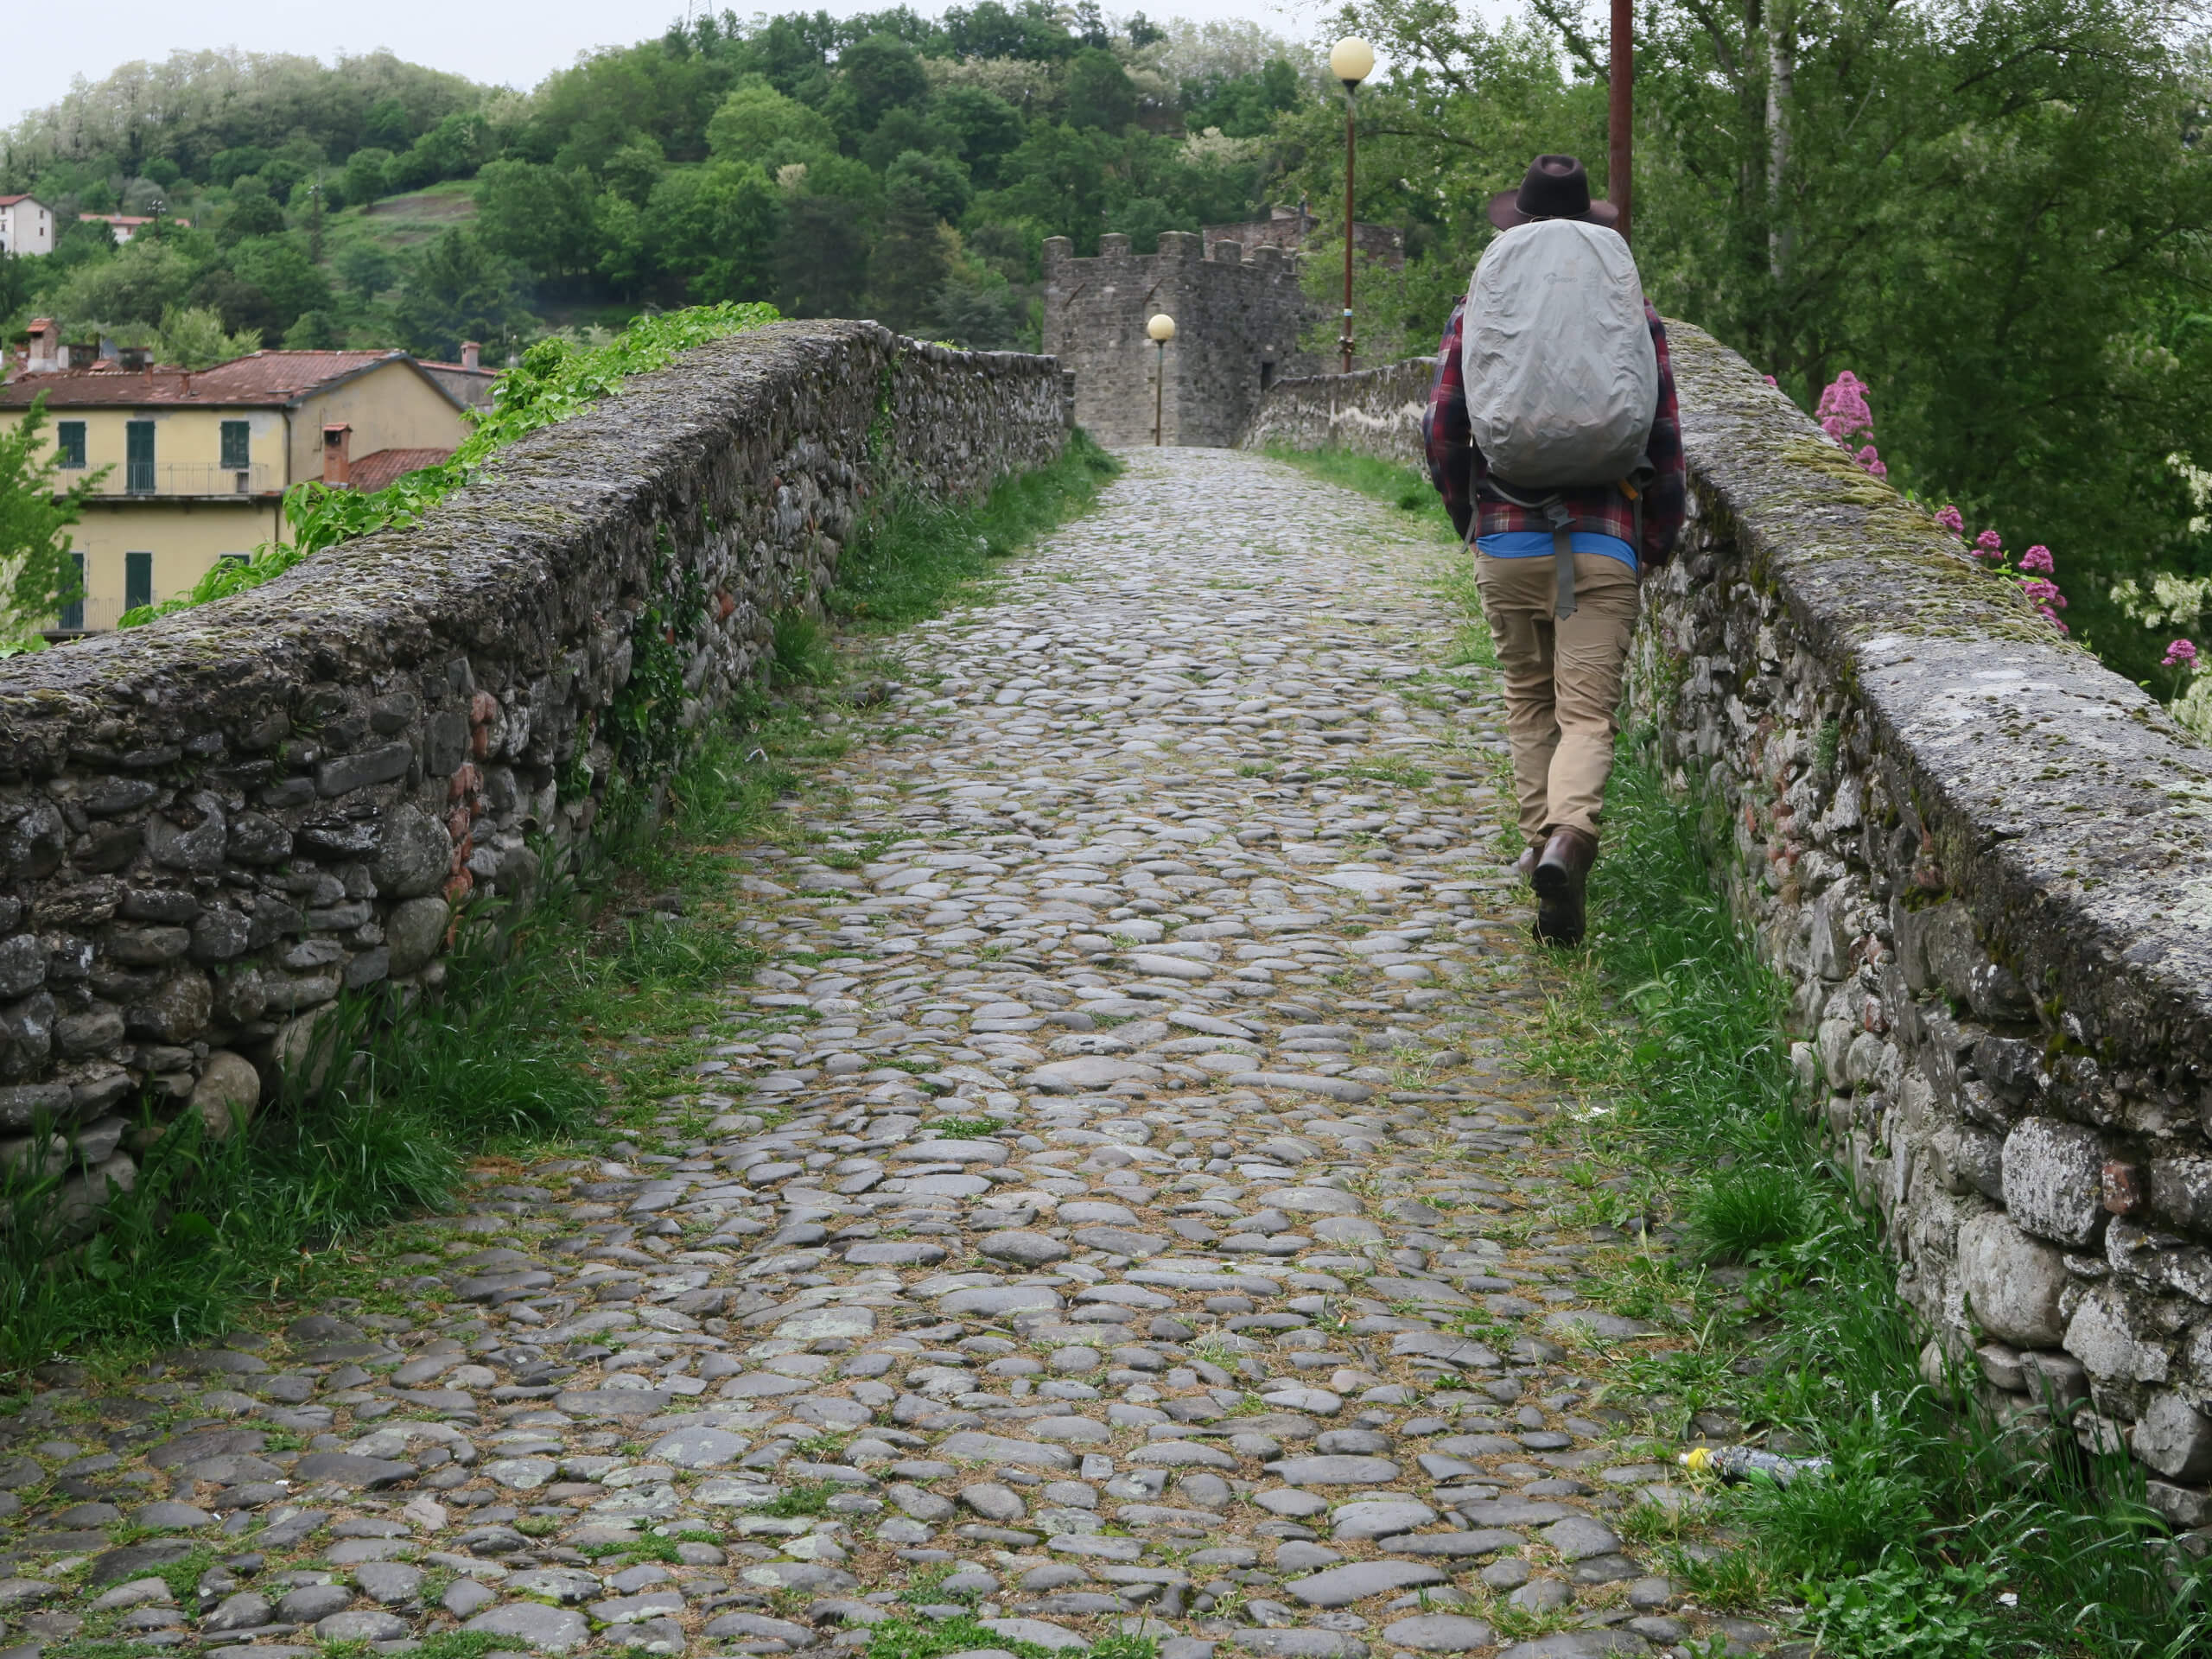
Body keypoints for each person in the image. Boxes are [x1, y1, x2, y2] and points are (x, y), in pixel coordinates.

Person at [1421, 154, 1685, 946]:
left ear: (1519, 226)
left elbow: (1442, 430)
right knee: (1587, 716)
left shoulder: (1479, 309)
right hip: (1605, 541)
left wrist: (1468, 518)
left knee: (1528, 700)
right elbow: (1665, 438)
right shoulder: (1631, 313)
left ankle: (1542, 845)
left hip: (1507, 539)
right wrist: (1658, 540)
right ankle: (1571, 841)